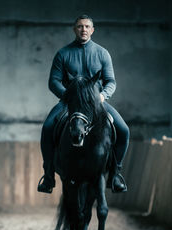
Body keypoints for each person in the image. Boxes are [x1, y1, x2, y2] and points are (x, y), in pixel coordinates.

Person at [37, 15, 129, 194]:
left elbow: (111, 81)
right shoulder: (63, 54)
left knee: (124, 130)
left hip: (95, 103)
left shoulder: (103, 53)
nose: (83, 29)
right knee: (47, 128)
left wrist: (103, 96)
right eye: (80, 26)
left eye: (87, 26)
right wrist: (69, 96)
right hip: (68, 103)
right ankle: (48, 176)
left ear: (92, 30)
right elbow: (53, 81)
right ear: (74, 29)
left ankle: (115, 174)